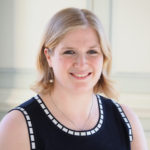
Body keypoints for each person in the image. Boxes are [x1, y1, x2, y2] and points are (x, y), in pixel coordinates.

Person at [0, 7, 148, 150]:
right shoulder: (17, 125)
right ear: (49, 56)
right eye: (69, 52)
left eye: (92, 51)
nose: (82, 63)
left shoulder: (126, 119)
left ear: (104, 56)